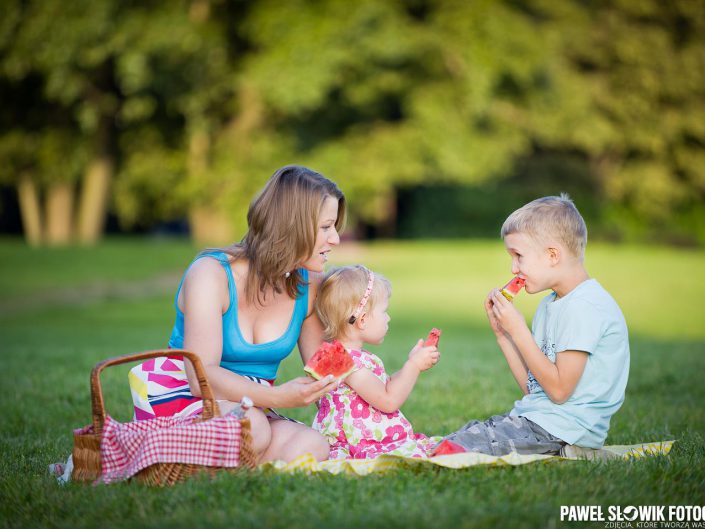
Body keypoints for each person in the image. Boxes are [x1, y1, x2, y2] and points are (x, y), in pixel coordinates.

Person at [168, 165, 344, 463]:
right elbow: (201, 378)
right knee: (254, 430)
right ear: (292, 225)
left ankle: (210, 466)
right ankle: (157, 447)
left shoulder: (309, 285)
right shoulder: (211, 275)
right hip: (187, 397)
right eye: (326, 227)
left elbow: (324, 372)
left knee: (312, 444)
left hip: (253, 407)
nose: (336, 239)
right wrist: (278, 398)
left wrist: (384, 397)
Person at [433, 194, 630, 457]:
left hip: (563, 432)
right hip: (539, 422)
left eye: (518, 256)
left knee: (458, 449)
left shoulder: (585, 307)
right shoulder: (551, 304)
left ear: (552, 255)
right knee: (463, 436)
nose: (513, 268)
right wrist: (504, 335)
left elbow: (559, 391)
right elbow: (535, 388)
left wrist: (518, 330)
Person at [312, 265, 442, 459]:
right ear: (362, 320)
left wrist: (412, 362)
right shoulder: (343, 361)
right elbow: (388, 400)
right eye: (384, 311)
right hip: (359, 444)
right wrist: (413, 367)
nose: (388, 318)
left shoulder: (342, 355)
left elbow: (386, 386)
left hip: (357, 439)